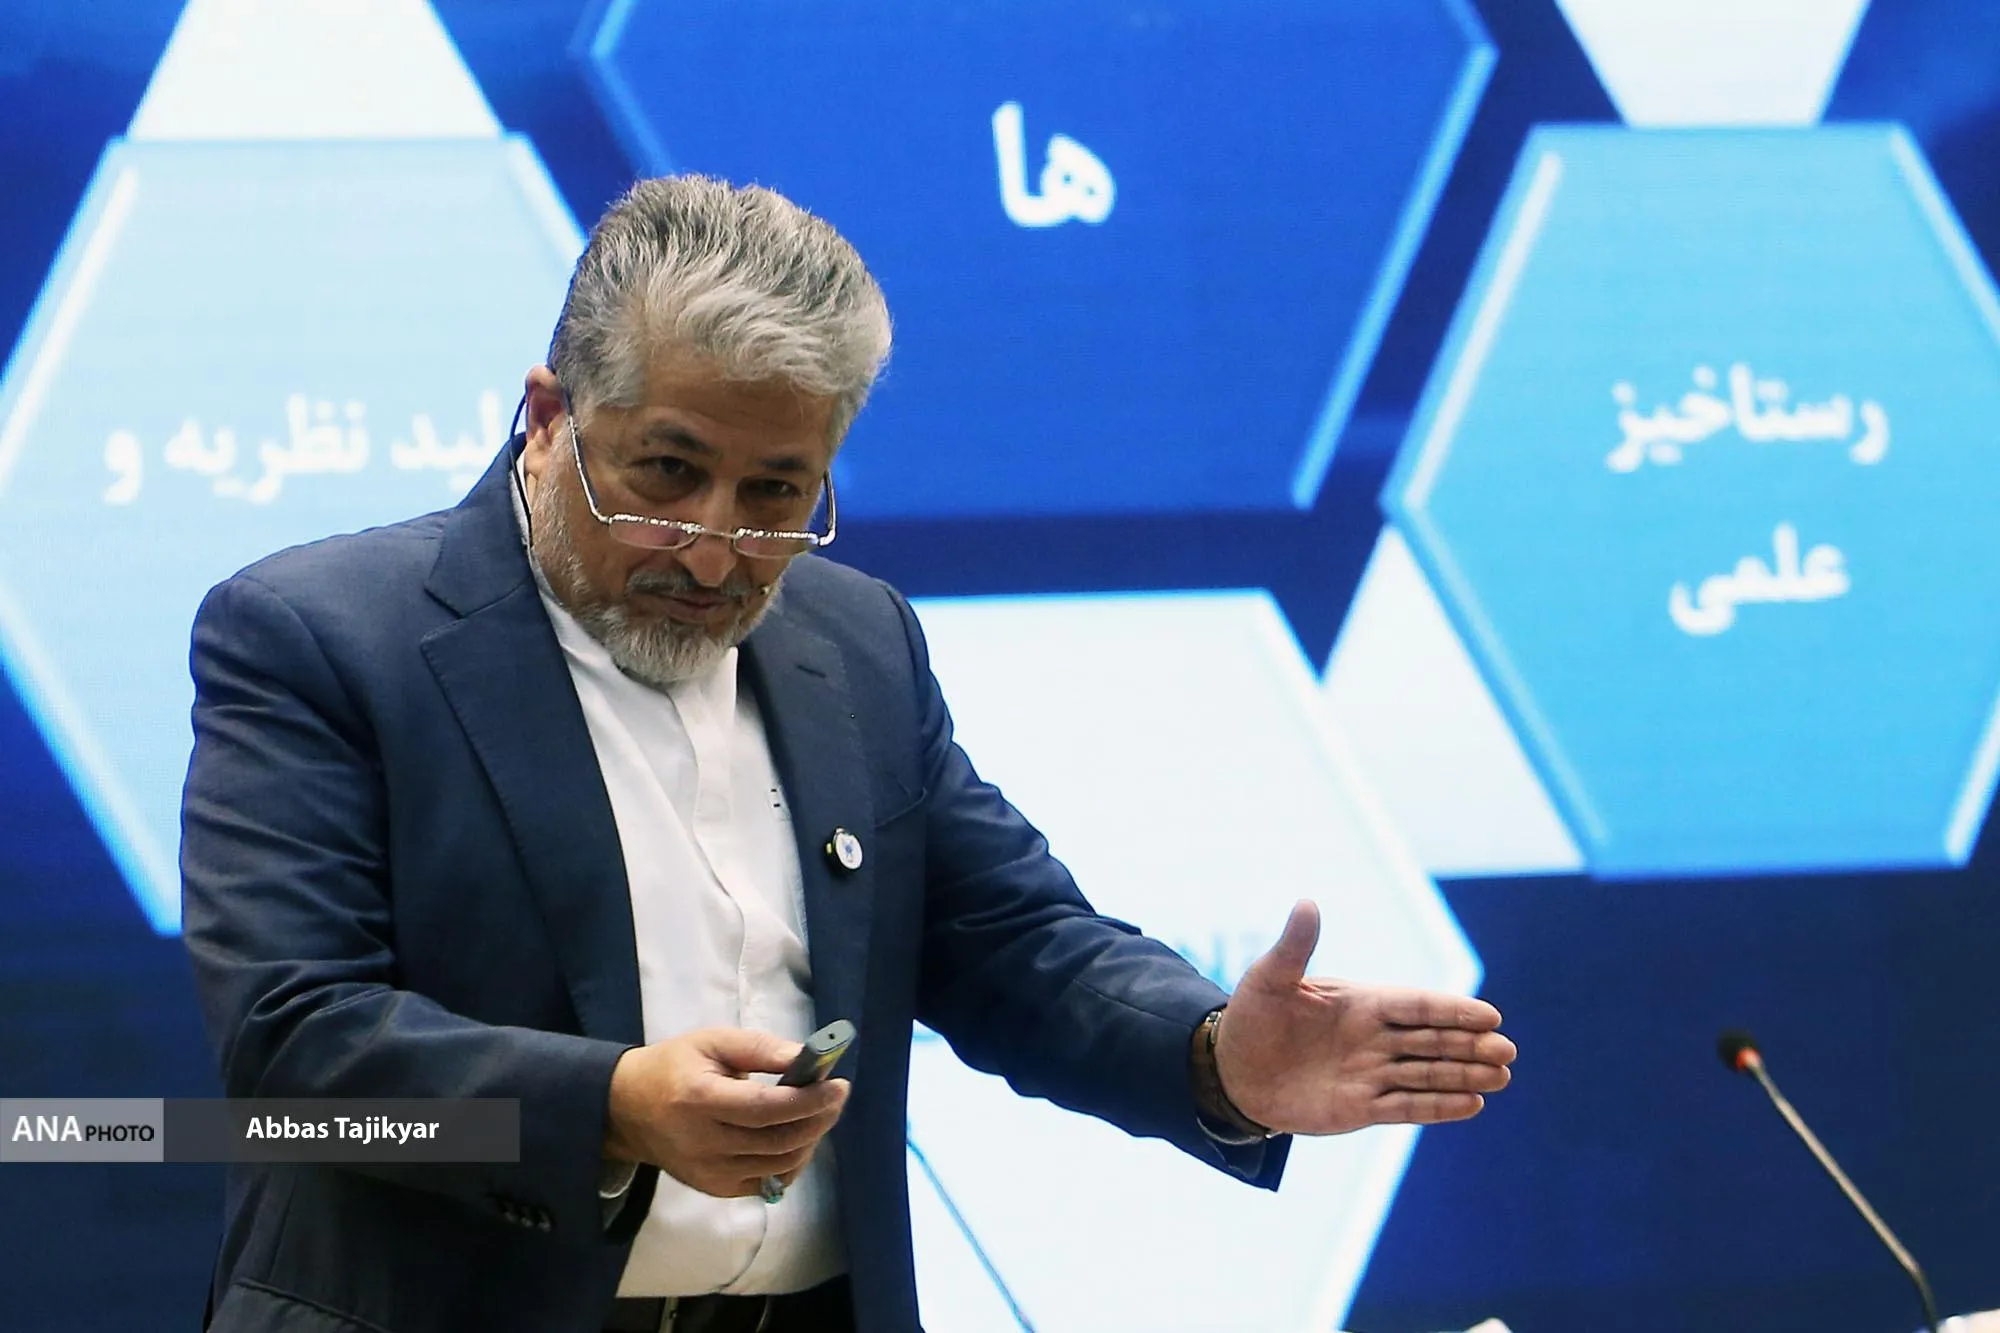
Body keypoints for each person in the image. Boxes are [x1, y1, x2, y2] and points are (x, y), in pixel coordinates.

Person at [181, 175, 1515, 1333]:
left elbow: (1011, 943)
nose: (716, 551)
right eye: (665, 474)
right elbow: (294, 1054)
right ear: (546, 416)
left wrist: (1215, 1056)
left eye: (775, 492)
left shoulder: (855, 639)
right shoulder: (321, 637)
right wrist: (614, 1106)